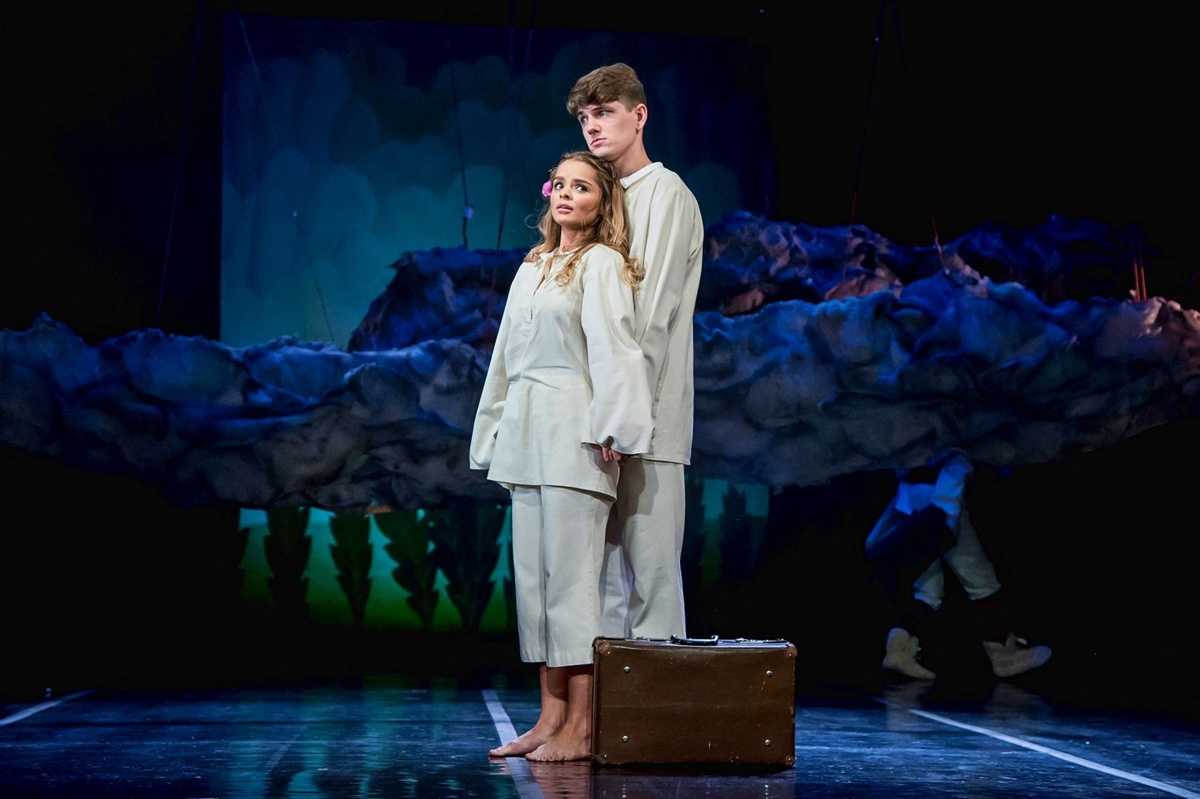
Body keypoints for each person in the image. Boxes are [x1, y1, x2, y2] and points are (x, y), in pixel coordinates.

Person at [470, 150, 654, 762]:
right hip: (527, 434)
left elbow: (615, 350)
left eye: (583, 187)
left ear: (602, 203)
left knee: (574, 586)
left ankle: (582, 724)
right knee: (535, 585)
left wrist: (615, 426)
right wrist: (494, 429)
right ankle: (549, 719)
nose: (568, 195)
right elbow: (504, 356)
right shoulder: (533, 266)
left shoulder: (601, 263)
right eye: (561, 185)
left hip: (576, 436)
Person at [566, 63, 705, 641]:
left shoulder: (665, 194)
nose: (593, 127)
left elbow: (651, 313)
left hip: (647, 416)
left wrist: (625, 417)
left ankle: (659, 699)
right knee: (600, 582)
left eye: (604, 113)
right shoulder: (600, 198)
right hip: (600, 418)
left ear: (639, 115)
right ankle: (601, 699)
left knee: (651, 578)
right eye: (585, 118)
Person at [866, 450, 1053, 681]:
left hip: (917, 493)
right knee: (978, 578)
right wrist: (946, 510)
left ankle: (899, 649)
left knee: (929, 589)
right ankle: (1002, 651)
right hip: (938, 490)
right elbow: (954, 453)